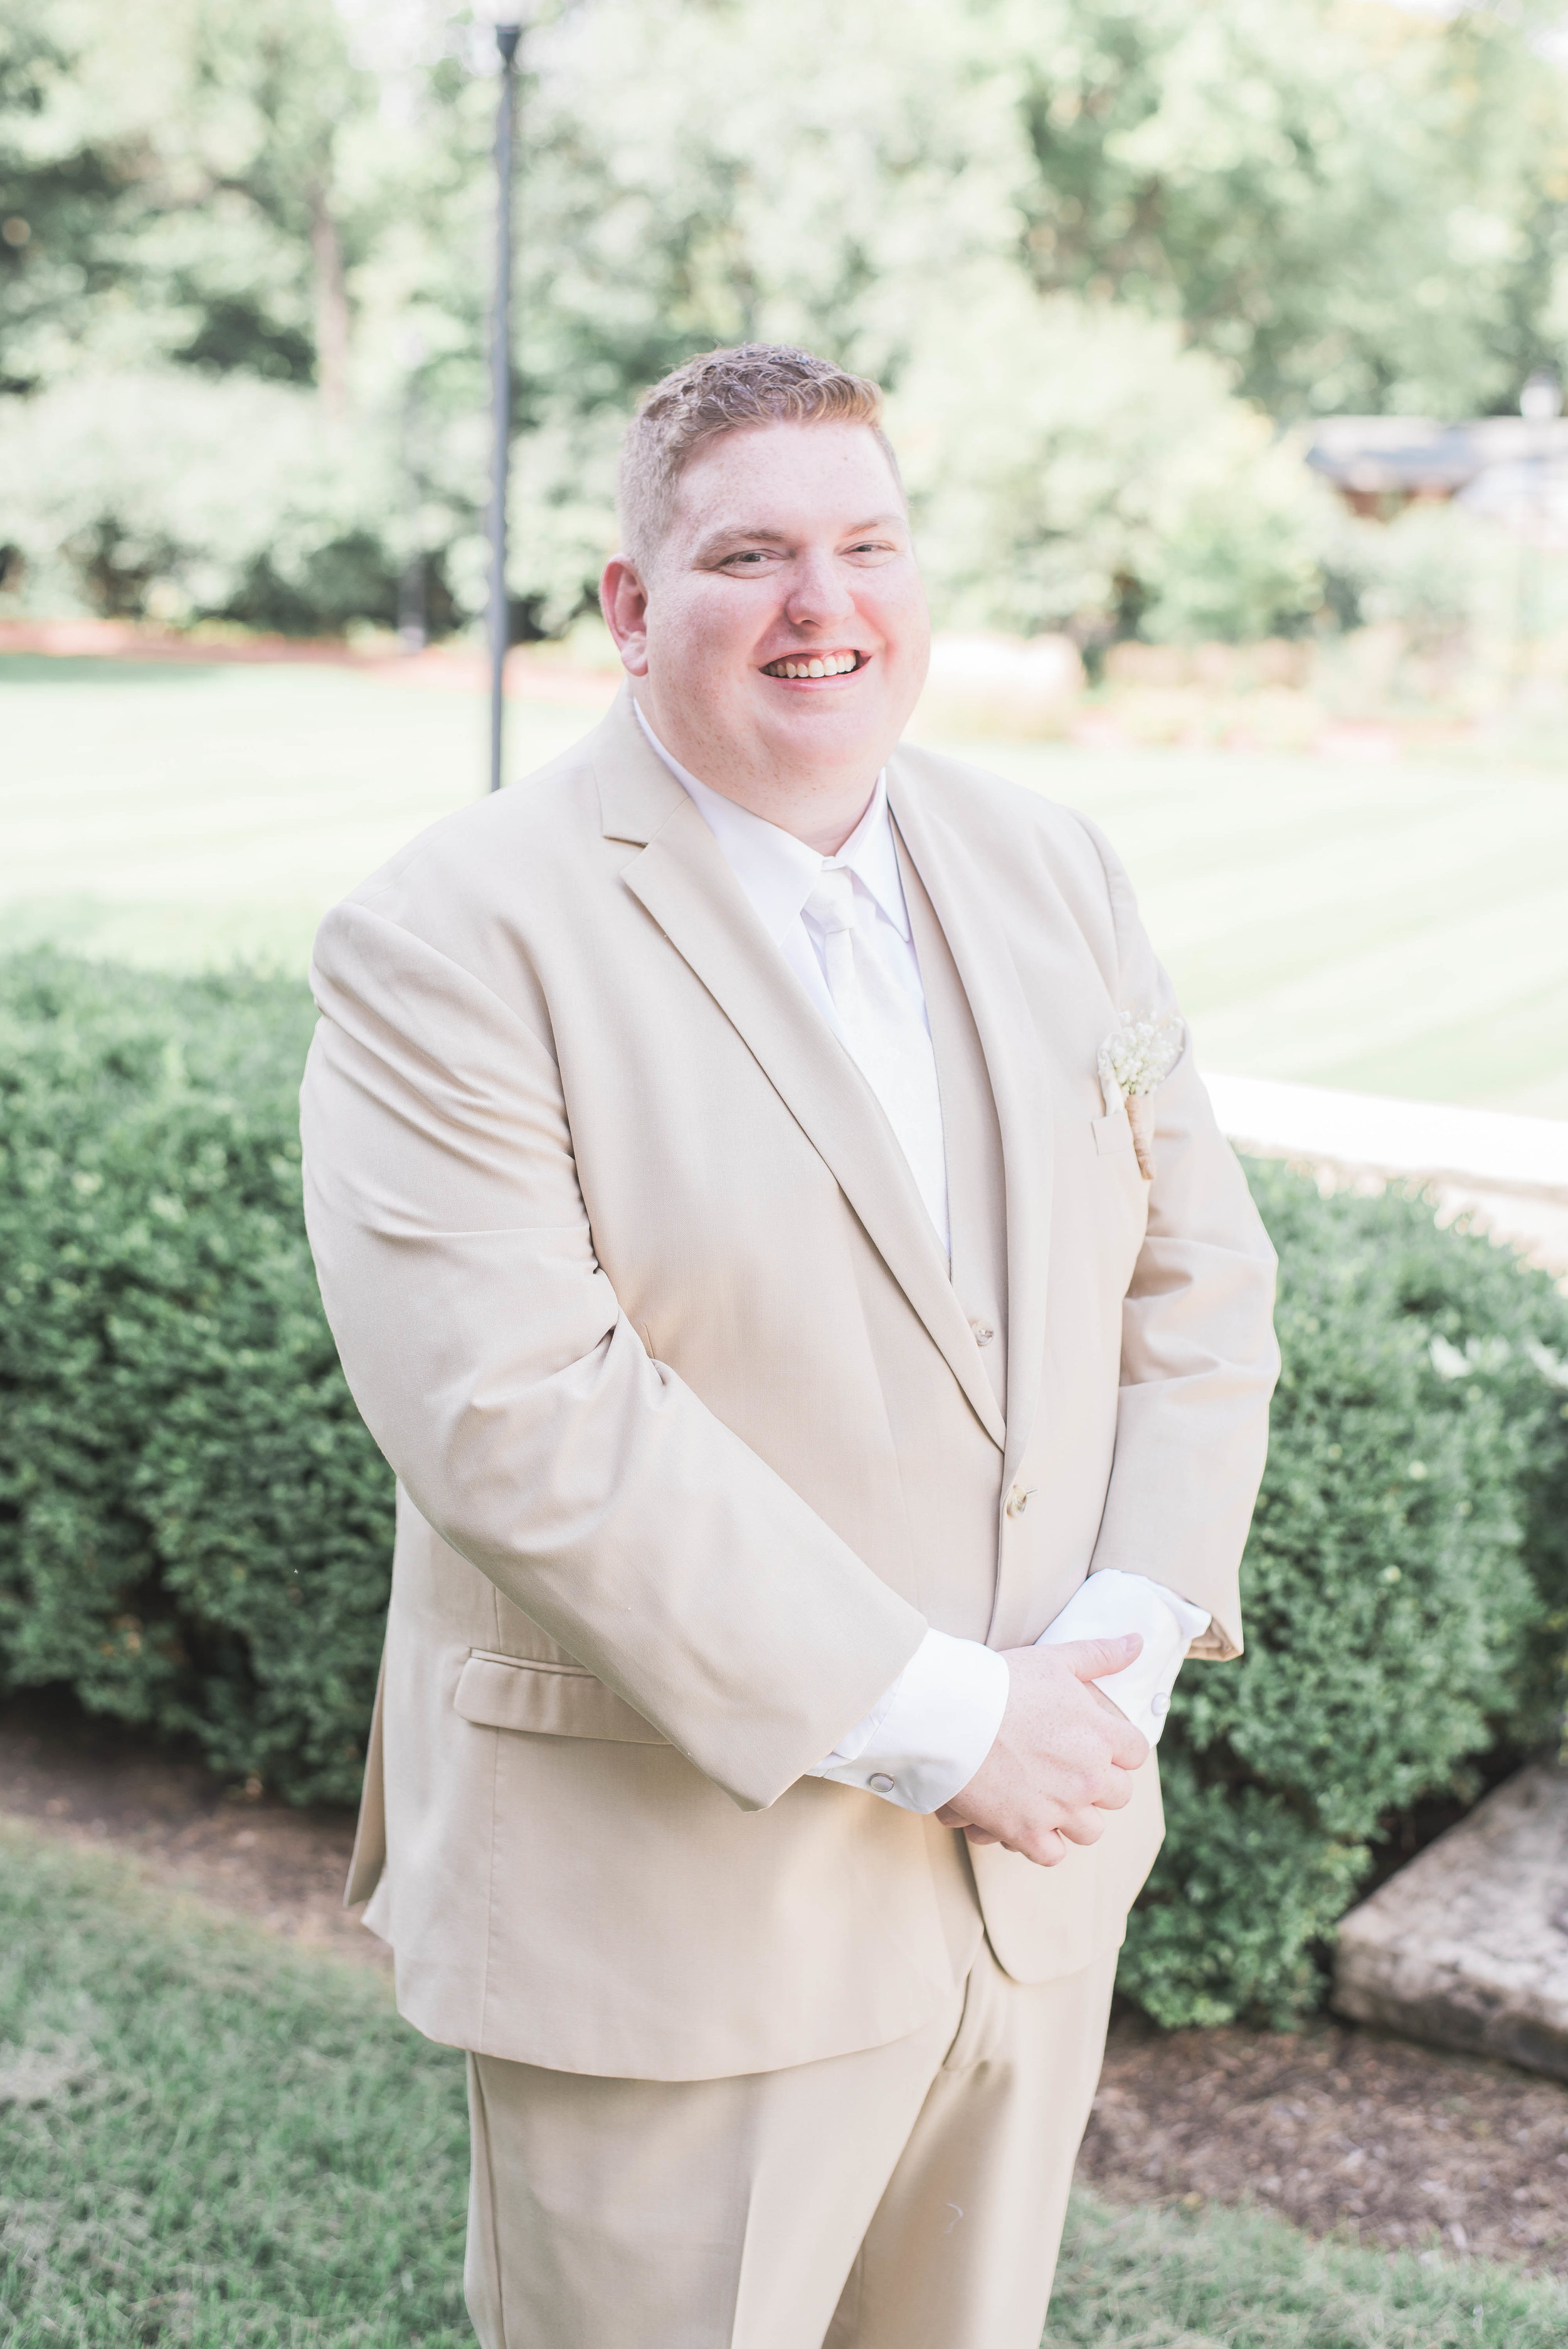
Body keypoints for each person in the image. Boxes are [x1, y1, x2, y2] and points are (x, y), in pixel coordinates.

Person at [299, 342, 1279, 2349]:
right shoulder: (449, 936)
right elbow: (521, 1420)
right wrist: (949, 1718)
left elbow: (1198, 1280)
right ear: (633, 606)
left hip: (1029, 1898)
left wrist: (1123, 1619)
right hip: (669, 1911)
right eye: (750, 554)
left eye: (866, 545)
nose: (825, 608)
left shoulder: (1051, 867)